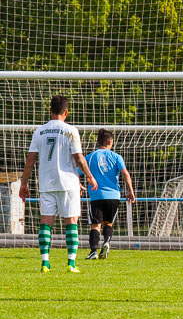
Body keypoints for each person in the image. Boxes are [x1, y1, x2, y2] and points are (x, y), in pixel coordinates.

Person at [18, 95, 98, 273]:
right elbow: (78, 158)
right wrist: (90, 176)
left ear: (50, 110)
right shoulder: (70, 131)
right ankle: (71, 263)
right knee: (71, 222)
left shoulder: (39, 131)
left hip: (46, 183)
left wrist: (24, 183)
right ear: (66, 112)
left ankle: (45, 263)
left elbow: (30, 159)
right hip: (68, 184)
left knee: (46, 222)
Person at [83, 129, 135, 260]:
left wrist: (78, 184)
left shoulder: (90, 157)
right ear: (110, 142)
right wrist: (130, 190)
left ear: (98, 142)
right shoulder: (116, 157)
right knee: (108, 223)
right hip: (113, 196)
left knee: (95, 225)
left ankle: (93, 251)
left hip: (97, 195)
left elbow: (76, 171)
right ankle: (106, 242)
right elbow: (125, 173)